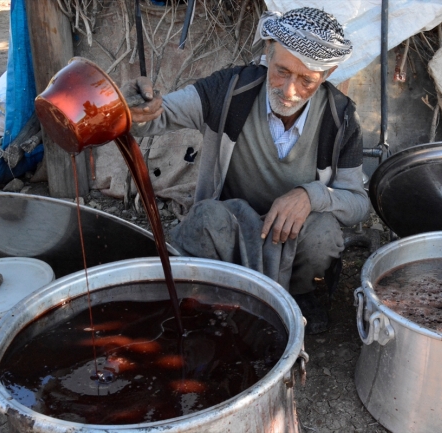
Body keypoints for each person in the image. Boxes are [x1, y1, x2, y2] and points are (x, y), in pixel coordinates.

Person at [124, 7, 369, 334]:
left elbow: (357, 203)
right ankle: (217, 295)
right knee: (206, 218)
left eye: (307, 80)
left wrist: (311, 196)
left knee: (324, 232)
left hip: (295, 236)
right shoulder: (229, 90)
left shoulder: (341, 118)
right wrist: (135, 108)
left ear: (328, 73)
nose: (290, 90)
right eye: (281, 71)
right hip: (231, 227)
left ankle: (301, 294)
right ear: (268, 51)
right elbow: (160, 114)